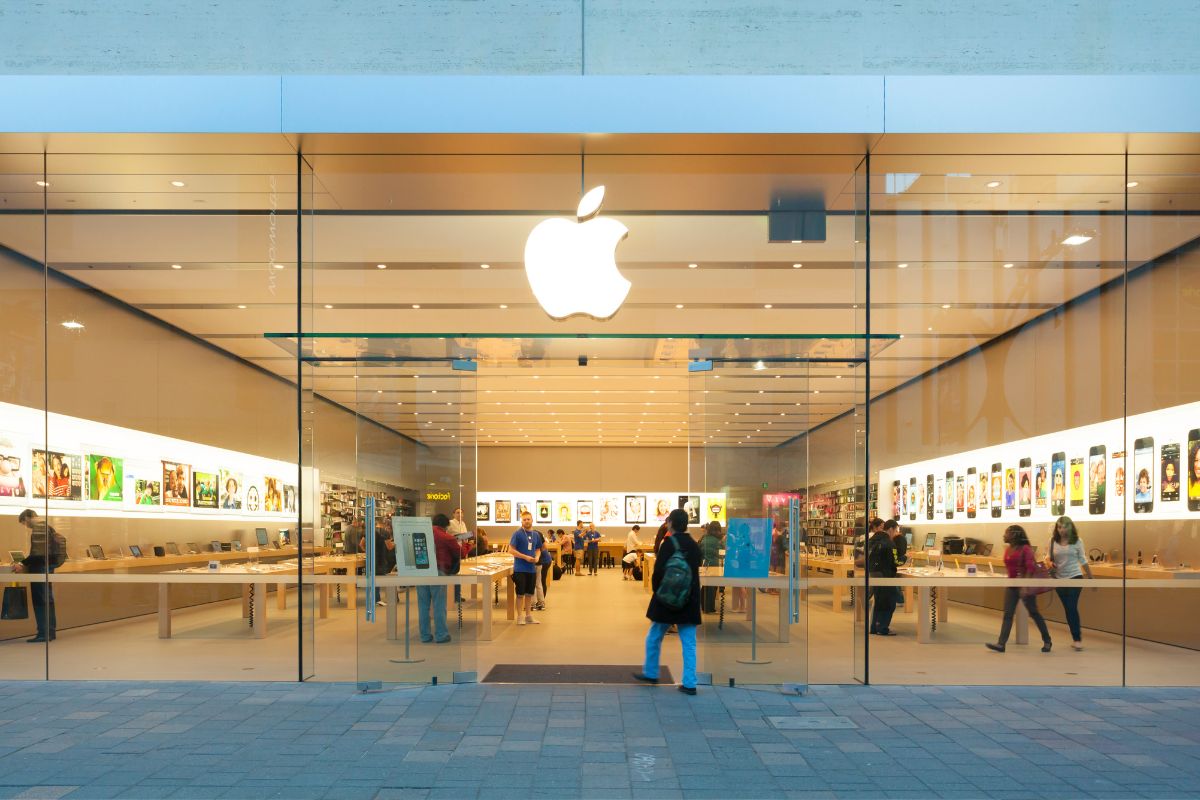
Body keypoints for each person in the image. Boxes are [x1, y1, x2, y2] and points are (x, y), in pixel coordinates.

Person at [633, 509, 701, 695]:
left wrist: (658, 594)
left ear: (670, 523)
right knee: (689, 643)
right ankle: (690, 683)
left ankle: (651, 672)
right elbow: (695, 572)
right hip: (689, 599)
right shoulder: (694, 546)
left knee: (654, 636)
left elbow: (658, 573)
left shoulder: (669, 544)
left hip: (667, 600)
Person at [986, 524, 1052, 653]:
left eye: (1007, 533)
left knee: (1034, 613)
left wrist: (1024, 585)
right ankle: (1001, 644)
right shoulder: (1008, 549)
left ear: (1015, 535)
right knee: (1008, 614)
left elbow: (1031, 568)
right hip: (1012, 586)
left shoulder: (1026, 549)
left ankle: (1047, 640)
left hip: (1024, 586)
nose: (1004, 535)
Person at [13, 509, 61, 642]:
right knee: (48, 600)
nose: (25, 526)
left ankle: (43, 633)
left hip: (40, 570)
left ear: (27, 518)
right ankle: (50, 632)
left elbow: (37, 554)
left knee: (40, 601)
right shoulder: (48, 527)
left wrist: (21, 563)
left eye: (24, 522)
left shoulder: (39, 529)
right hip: (48, 568)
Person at [1046, 516, 1093, 650]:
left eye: (1064, 526)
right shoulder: (1052, 541)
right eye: (1059, 527)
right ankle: (1075, 638)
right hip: (1059, 579)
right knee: (1068, 609)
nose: (1061, 530)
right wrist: (1050, 563)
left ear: (1070, 526)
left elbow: (1083, 560)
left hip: (1075, 577)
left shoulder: (1077, 541)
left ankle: (1077, 639)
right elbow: (1048, 557)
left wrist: (1091, 577)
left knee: (1071, 607)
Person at [416, 514, 460, 644]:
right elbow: (460, 552)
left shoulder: (422, 533)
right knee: (438, 604)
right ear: (445, 525)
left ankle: (425, 636)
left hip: (421, 571)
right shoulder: (446, 537)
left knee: (423, 605)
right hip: (438, 572)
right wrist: (467, 545)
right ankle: (441, 635)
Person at [508, 511, 542, 625]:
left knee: (529, 593)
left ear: (532, 520)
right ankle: (520, 617)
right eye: (524, 519)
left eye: (528, 519)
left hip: (531, 569)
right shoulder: (517, 533)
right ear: (521, 521)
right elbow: (511, 550)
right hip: (520, 568)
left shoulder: (536, 534)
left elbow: (538, 549)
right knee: (520, 594)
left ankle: (528, 616)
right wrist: (525, 557)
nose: (526, 521)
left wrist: (537, 557)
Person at [867, 521, 898, 636]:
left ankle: (874, 626)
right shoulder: (889, 543)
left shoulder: (873, 540)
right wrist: (905, 559)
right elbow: (896, 561)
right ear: (890, 529)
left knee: (879, 600)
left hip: (873, 572)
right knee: (889, 601)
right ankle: (883, 627)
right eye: (895, 530)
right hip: (885, 574)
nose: (895, 533)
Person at [698, 521, 722, 613]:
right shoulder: (718, 541)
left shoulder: (704, 538)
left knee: (705, 586)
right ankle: (709, 608)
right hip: (715, 566)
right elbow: (722, 553)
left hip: (704, 565)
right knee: (712, 588)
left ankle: (703, 606)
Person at [533, 527, 552, 610]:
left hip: (544, 561)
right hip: (544, 560)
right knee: (540, 582)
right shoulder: (538, 533)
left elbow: (543, 547)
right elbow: (544, 546)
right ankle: (541, 602)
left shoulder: (534, 534)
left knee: (540, 581)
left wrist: (537, 553)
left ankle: (540, 602)